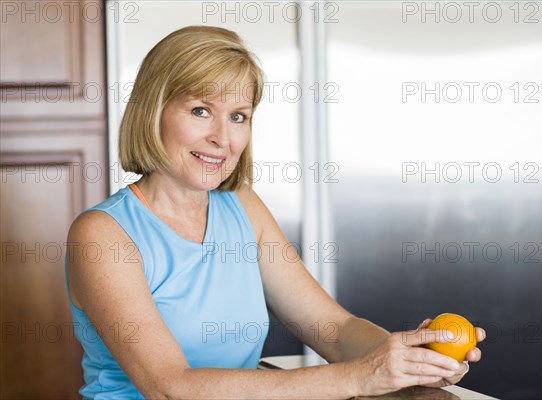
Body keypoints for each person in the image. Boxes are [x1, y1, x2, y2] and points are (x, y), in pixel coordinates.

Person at [66, 25, 485, 399]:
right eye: (200, 111)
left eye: (238, 116)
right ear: (153, 111)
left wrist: (410, 358)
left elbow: (334, 331)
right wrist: (358, 378)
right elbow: (171, 387)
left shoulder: (240, 205)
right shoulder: (102, 235)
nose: (222, 138)